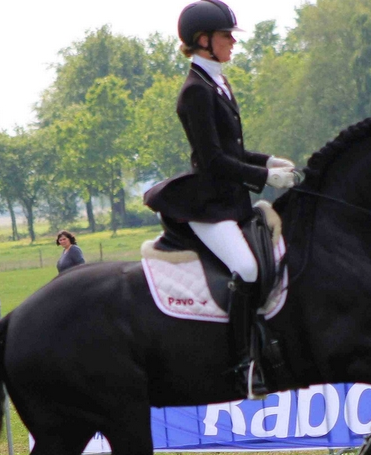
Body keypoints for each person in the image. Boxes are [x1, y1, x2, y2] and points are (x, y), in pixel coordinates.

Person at [143, 0, 298, 398]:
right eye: (227, 35)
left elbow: (233, 149)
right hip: (208, 206)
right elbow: (213, 160)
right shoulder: (195, 91)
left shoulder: (219, 83)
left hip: (232, 202)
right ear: (203, 40)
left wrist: (268, 160)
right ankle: (245, 363)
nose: (233, 42)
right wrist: (264, 177)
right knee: (246, 269)